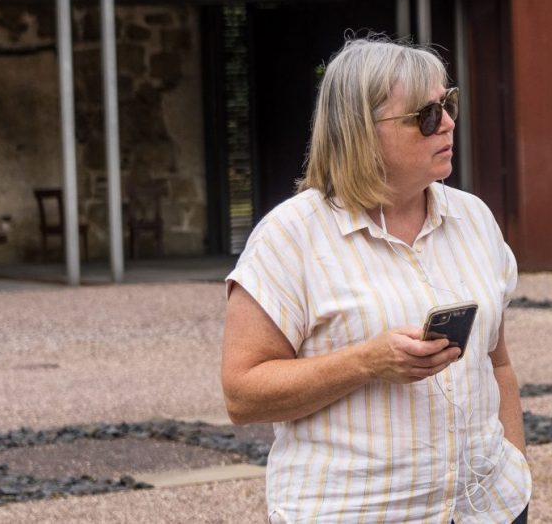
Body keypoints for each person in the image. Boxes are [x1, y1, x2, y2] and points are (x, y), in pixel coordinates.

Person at [222, 37, 530, 524]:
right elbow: (242, 394)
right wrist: (366, 361)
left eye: (448, 104)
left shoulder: (474, 219)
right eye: (427, 115)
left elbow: (499, 364)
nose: (448, 122)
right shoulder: (290, 237)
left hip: (487, 511)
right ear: (362, 130)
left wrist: (516, 471)